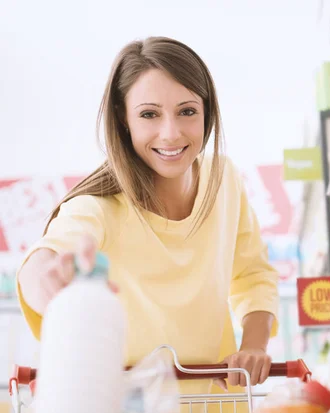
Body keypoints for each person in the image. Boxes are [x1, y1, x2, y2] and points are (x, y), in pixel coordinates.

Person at [16, 36, 280, 410]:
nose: (171, 133)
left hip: (216, 402)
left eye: (187, 111)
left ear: (208, 112)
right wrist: (48, 280)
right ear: (124, 121)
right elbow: (47, 257)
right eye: (149, 114)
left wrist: (253, 345)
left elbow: (253, 275)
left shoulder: (224, 179)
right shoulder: (98, 207)